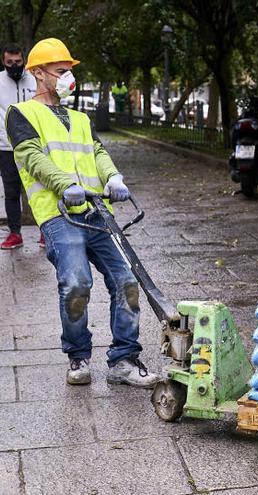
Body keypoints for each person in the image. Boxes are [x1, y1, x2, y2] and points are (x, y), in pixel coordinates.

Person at [6, 38, 161, 388]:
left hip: (96, 211)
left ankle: (124, 359)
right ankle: (78, 355)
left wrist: (114, 176)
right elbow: (32, 156)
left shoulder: (79, 117)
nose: (67, 78)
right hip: (58, 214)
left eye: (69, 72)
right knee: (76, 283)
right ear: (38, 73)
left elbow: (97, 152)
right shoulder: (21, 114)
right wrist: (63, 184)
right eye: (61, 71)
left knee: (127, 281)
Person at [0, 44, 36, 249]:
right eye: (9, 63)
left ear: (24, 60)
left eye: (18, 62)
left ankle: (45, 233)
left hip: (33, 146)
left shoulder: (34, 80)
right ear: (4, 62)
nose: (14, 66)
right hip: (6, 148)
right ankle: (15, 233)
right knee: (11, 192)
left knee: (39, 190)